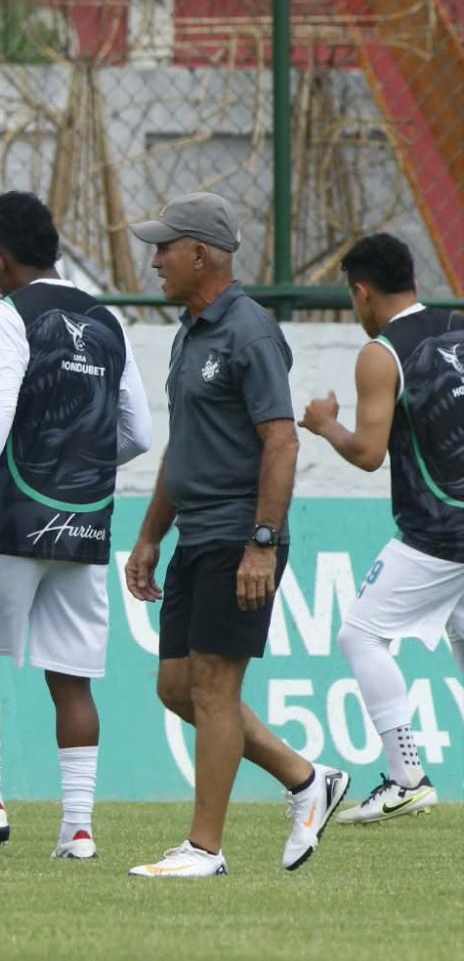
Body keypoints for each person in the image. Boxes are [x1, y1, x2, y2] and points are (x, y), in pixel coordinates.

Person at [122, 192, 348, 878]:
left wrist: (262, 541)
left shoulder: (250, 332)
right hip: (195, 535)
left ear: (201, 254)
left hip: (238, 535)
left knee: (216, 688)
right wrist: (150, 535)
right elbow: (181, 447)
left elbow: (281, 444)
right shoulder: (190, 331)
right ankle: (306, 777)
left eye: (165, 247)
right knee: (176, 687)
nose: (155, 258)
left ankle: (204, 849)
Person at [0, 192, 152, 859]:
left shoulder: (8, 312)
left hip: (10, 514)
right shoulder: (106, 318)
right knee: (72, 676)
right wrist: (77, 462)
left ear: (0, 259)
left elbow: (0, 397)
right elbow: (139, 431)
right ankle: (80, 831)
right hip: (87, 521)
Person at [300, 233, 464, 825]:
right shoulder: (458, 324)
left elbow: (369, 453)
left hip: (437, 534)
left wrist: (324, 425)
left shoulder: (381, 352)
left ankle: (406, 777)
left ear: (362, 292)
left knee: (359, 634)